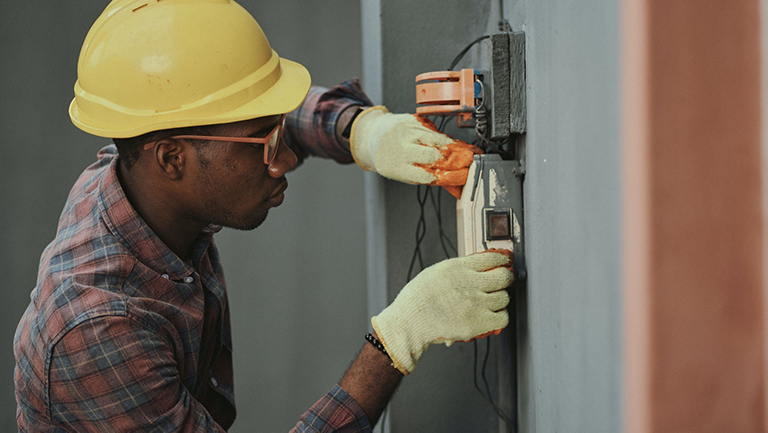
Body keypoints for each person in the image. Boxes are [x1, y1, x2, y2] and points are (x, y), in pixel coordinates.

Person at [13, 1, 514, 431]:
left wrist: (361, 130)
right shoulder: (97, 331)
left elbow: (244, 120)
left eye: (276, 134)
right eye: (264, 143)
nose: (285, 159)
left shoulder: (138, 166)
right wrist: (397, 340)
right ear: (171, 159)